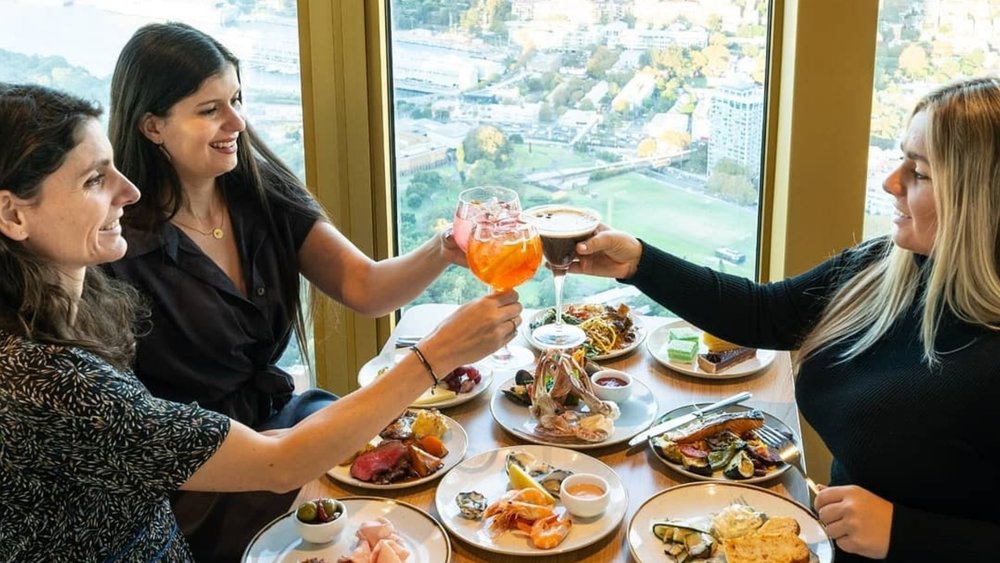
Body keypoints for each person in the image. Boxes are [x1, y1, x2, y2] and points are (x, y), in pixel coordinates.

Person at [0, 82, 521, 560]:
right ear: (13, 216)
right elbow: (280, 462)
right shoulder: (47, 381)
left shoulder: (74, 310)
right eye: (94, 180)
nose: (127, 191)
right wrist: (435, 357)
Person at [571, 76, 1000, 561]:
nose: (890, 182)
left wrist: (907, 534)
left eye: (918, 172)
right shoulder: (881, 269)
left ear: (978, 196)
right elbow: (766, 312)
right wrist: (639, 263)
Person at [104, 22, 483, 559]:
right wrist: (437, 352)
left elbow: (366, 286)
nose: (236, 121)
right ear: (152, 126)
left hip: (290, 421)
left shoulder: (259, 190)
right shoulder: (117, 245)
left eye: (236, 98)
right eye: (209, 109)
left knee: (428, 496)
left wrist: (444, 247)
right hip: (204, 480)